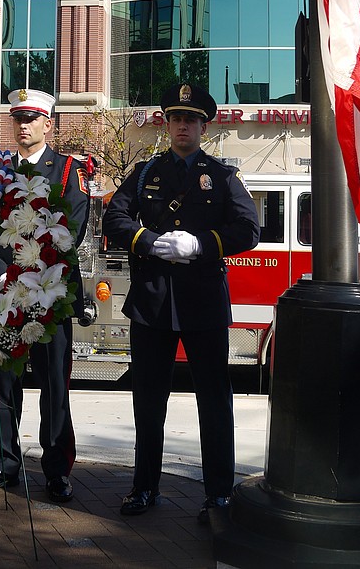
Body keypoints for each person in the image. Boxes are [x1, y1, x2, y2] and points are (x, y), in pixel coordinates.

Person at [103, 83, 260, 522]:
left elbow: (248, 230)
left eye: (190, 119)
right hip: (152, 303)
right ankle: (144, 486)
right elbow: (115, 216)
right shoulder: (145, 172)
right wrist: (148, 242)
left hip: (204, 303)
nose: (182, 126)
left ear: (203, 126)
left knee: (214, 400)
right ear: (167, 124)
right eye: (176, 118)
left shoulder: (224, 177)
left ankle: (219, 493)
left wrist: (199, 244)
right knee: (148, 401)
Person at [0, 88, 89, 503]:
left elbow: (69, 229)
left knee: (54, 384)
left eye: (32, 119)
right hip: (2, 296)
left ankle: (56, 470)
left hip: (49, 296)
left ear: (48, 124)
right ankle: (2, 463)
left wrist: (26, 275)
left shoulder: (69, 169)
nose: (23, 126)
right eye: (18, 118)